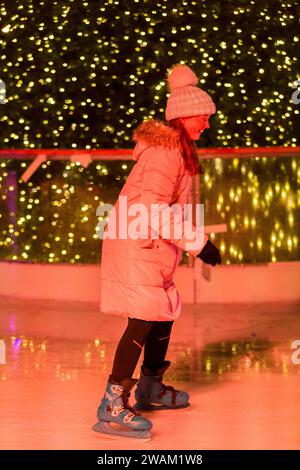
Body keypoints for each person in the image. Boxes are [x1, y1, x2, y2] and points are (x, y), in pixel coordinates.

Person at [92, 64, 222, 441]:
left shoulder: (177, 149)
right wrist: (198, 244)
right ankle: (113, 402)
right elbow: (152, 210)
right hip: (137, 242)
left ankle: (151, 388)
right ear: (184, 117)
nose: (207, 125)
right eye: (203, 117)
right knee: (144, 318)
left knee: (163, 312)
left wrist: (187, 242)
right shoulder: (166, 153)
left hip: (151, 244)